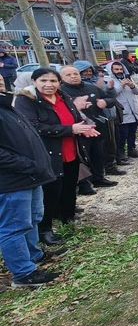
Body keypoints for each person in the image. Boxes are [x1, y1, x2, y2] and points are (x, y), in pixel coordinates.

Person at [15, 68, 99, 246]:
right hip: (48, 155)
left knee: (69, 187)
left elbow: (75, 118)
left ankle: (67, 219)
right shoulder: (27, 100)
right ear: (34, 82)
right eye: (43, 81)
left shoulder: (64, 97)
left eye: (53, 81)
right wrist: (70, 130)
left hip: (70, 151)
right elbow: (33, 127)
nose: (48, 85)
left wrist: (85, 128)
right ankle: (45, 230)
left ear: (59, 83)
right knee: (50, 193)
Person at [0, 77, 60, 287]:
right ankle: (24, 274)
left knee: (33, 218)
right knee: (14, 227)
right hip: (13, 180)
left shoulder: (7, 106)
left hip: (31, 176)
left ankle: (34, 256)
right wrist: (27, 164)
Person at [60, 65, 118, 190]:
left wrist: (105, 102)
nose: (73, 77)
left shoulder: (91, 88)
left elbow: (111, 99)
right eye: (68, 75)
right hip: (77, 129)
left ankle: (99, 178)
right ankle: (84, 184)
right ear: (62, 78)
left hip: (97, 126)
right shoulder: (61, 92)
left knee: (98, 153)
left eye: (75, 74)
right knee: (82, 157)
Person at [108, 61, 138, 160]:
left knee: (132, 133)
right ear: (112, 70)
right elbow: (112, 94)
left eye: (120, 69)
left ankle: (132, 149)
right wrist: (121, 85)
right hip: (122, 113)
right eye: (116, 69)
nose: (119, 71)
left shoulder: (128, 78)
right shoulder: (110, 81)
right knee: (122, 135)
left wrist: (132, 86)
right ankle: (121, 153)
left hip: (133, 111)